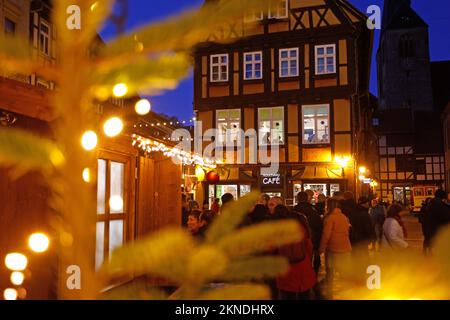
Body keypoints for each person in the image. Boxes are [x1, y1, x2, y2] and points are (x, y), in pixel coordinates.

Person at [275, 205, 317, 300]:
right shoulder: (303, 230)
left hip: (285, 269)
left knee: (286, 294)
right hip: (303, 266)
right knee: (305, 294)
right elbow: (309, 247)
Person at [319, 197, 352, 283]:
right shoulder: (344, 217)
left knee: (330, 271)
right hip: (345, 247)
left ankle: (329, 292)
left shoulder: (330, 218)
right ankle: (347, 292)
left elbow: (326, 235)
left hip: (333, 249)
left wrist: (321, 248)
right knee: (344, 273)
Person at [294, 192, 323, 275]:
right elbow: (319, 227)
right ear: (307, 199)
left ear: (297, 199)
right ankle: (313, 275)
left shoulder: (293, 211)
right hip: (312, 239)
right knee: (313, 259)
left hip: (298, 240)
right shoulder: (313, 211)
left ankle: (302, 276)